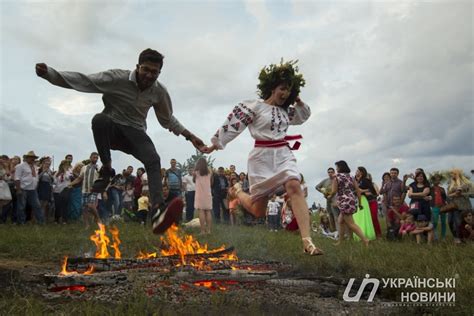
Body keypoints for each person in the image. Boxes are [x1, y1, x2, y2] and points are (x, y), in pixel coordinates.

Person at [35, 48, 205, 234]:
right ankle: (107, 169)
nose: (149, 75)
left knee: (153, 160)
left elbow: (167, 119)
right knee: (99, 120)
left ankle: (157, 211)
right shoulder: (117, 78)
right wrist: (51, 74)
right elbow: (86, 81)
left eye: (154, 72)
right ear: (137, 67)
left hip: (136, 133)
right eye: (145, 69)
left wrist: (190, 136)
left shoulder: (159, 92)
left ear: (159, 73)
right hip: (113, 128)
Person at [204, 60, 322, 255]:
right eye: (282, 89)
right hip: (261, 158)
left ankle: (307, 242)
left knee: (294, 185)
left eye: (288, 90)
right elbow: (234, 124)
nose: (285, 94)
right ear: (272, 88)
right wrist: (215, 144)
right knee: (259, 211)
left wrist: (298, 100)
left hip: (283, 154)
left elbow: (303, 116)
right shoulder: (255, 107)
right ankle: (238, 191)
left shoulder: (287, 111)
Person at [332, 160, 369, 246]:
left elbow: (334, 191)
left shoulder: (336, 177)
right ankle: (340, 241)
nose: (336, 169)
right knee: (340, 221)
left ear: (340, 167)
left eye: (337, 167)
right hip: (351, 201)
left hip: (344, 202)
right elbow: (358, 191)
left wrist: (328, 195)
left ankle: (365, 240)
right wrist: (359, 203)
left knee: (351, 224)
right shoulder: (351, 177)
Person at [14, 151, 44, 225]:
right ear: (26, 158)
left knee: (37, 205)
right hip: (23, 188)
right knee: (21, 206)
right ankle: (21, 222)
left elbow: (36, 178)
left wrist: (35, 186)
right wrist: (18, 189)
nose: (32, 159)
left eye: (33, 158)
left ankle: (41, 221)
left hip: (32, 189)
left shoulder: (35, 167)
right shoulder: (20, 166)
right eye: (31, 157)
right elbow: (17, 178)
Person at [447, 169, 473, 243]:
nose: (451, 175)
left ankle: (461, 238)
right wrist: (454, 194)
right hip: (453, 207)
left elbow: (472, 195)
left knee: (461, 223)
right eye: (451, 174)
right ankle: (456, 237)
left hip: (465, 207)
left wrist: (463, 193)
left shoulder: (466, 183)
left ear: (457, 174)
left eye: (453, 174)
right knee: (451, 222)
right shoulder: (450, 184)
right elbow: (448, 196)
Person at [356, 166, 381, 238]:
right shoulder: (358, 182)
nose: (356, 172)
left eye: (357, 171)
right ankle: (370, 233)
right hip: (364, 202)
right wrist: (363, 191)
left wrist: (362, 191)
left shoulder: (368, 182)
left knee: (374, 217)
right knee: (367, 219)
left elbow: (374, 192)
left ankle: (378, 234)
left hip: (371, 201)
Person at [193, 158, 213, 235]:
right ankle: (208, 231)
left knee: (201, 211)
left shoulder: (196, 172)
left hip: (199, 194)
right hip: (208, 194)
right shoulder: (210, 172)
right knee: (208, 211)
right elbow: (211, 182)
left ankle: (202, 231)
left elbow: (194, 180)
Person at [315, 167, 338, 232]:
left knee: (337, 215)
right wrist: (324, 192)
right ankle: (334, 230)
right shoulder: (325, 180)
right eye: (329, 172)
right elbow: (317, 187)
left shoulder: (337, 179)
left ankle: (340, 231)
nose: (330, 173)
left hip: (336, 199)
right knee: (330, 215)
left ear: (334, 172)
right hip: (328, 200)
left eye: (331, 172)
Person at [52, 160, 72, 224]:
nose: (65, 166)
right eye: (64, 165)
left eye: (66, 165)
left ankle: (64, 220)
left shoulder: (69, 172)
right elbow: (54, 181)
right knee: (57, 206)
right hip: (57, 191)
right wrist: (57, 175)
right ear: (61, 165)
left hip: (65, 190)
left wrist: (65, 171)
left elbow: (67, 178)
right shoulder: (57, 172)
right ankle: (56, 219)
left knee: (65, 205)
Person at [429, 173, 447, 240]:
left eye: (439, 180)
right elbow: (428, 197)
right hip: (434, 206)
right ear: (433, 181)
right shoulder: (430, 189)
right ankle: (434, 236)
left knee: (443, 222)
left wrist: (445, 202)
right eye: (436, 180)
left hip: (443, 207)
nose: (437, 181)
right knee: (435, 222)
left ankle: (443, 237)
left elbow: (445, 198)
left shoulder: (442, 188)